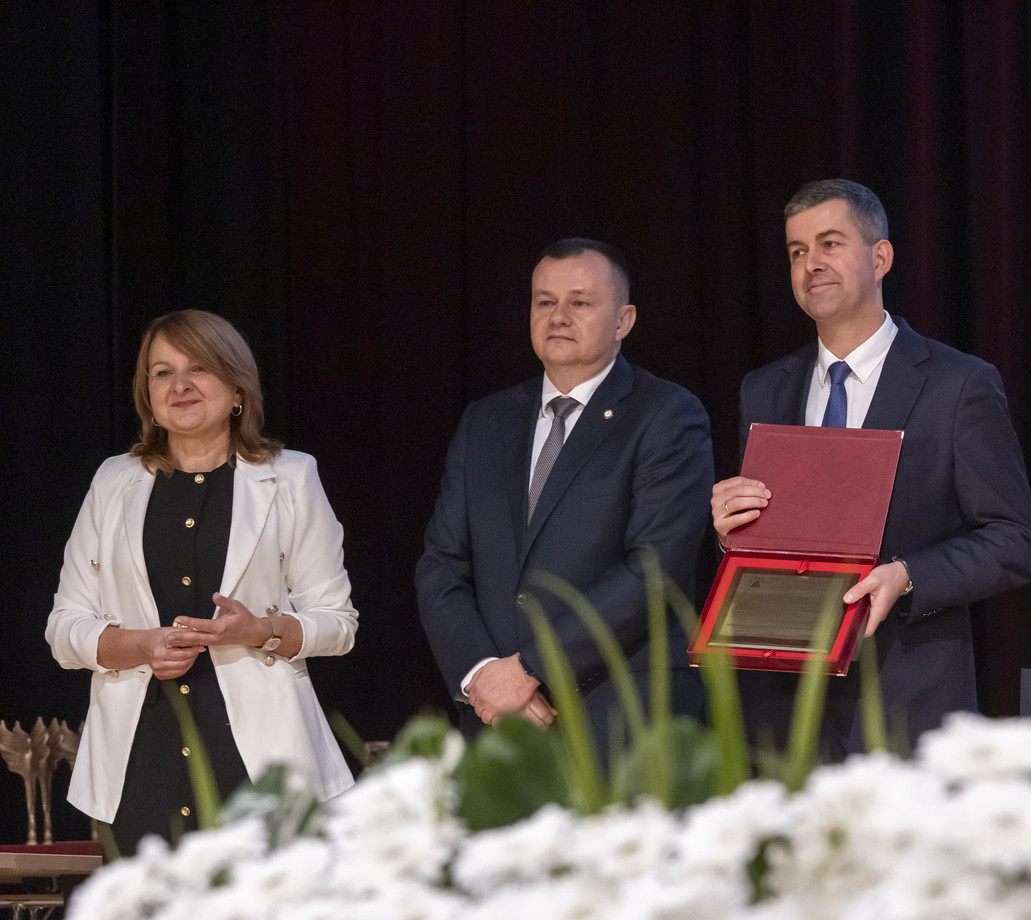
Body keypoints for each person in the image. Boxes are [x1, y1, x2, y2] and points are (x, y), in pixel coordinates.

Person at [711, 179, 1031, 756]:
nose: (812, 264)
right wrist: (731, 532)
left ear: (881, 257)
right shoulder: (763, 390)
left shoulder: (957, 383)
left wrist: (908, 575)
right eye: (797, 251)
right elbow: (769, 538)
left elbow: (1015, 540)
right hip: (785, 710)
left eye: (830, 243)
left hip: (906, 699)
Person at [47, 310, 357, 854]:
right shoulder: (112, 481)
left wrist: (260, 630)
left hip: (260, 763)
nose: (180, 385)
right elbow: (64, 628)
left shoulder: (292, 477)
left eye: (200, 368)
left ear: (237, 389)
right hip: (139, 762)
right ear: (147, 395)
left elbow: (338, 624)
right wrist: (141, 645)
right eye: (162, 373)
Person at [416, 238, 713, 746]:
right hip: (499, 723)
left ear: (623, 321)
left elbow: (654, 569)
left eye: (580, 302)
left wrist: (531, 669)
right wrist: (482, 674)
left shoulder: (666, 414)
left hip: (620, 719)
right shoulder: (486, 421)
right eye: (545, 302)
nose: (558, 317)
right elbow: (441, 567)